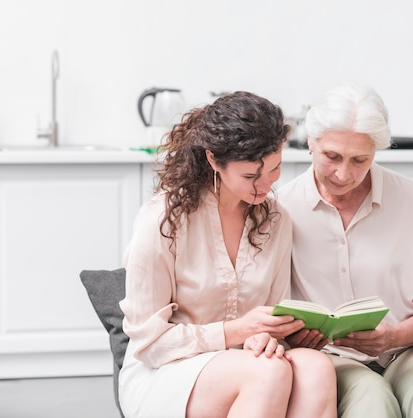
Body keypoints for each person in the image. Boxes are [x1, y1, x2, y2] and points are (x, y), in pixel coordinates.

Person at [118, 91, 337, 418]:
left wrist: (270, 337)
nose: (265, 187)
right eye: (250, 176)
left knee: (316, 368)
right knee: (267, 372)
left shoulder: (276, 221)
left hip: (248, 361)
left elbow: (271, 318)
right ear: (213, 161)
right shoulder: (163, 222)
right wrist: (238, 331)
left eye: (275, 169)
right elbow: (150, 345)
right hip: (166, 369)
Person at [278, 84, 413, 418]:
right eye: (332, 156)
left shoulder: (409, 198)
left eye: (360, 160)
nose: (343, 174)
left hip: (411, 348)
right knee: (371, 399)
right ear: (310, 142)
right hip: (331, 357)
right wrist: (296, 337)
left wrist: (393, 336)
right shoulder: (281, 209)